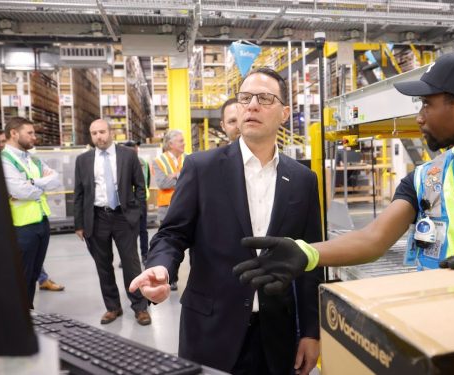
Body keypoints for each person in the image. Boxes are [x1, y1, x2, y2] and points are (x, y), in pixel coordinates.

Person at [234, 53, 454, 295]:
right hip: (435, 336)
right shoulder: (425, 178)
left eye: (427, 104)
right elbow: (374, 239)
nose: (420, 117)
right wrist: (306, 253)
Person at [130, 68, 323, 375]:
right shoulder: (202, 168)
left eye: (265, 98)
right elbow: (173, 234)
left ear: (284, 113)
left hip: (276, 333)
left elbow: (312, 258)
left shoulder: (302, 180)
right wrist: (162, 266)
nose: (252, 105)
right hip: (211, 328)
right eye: (245, 98)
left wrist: (312, 331)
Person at [73, 119, 151, 326]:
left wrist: (137, 213)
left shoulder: (128, 156)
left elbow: (140, 187)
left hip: (123, 217)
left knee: (131, 263)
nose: (99, 136)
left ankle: (140, 307)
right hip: (97, 218)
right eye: (94, 133)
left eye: (102, 132)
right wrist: (79, 224)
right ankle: (112, 307)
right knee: (103, 265)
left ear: (111, 133)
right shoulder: (83, 160)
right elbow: (79, 194)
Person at [0, 117, 60, 307]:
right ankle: (22, 320)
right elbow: (19, 191)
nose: (34, 137)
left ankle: (29, 313)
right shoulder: (4, 160)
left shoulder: (32, 159)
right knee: (23, 276)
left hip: (41, 222)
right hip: (22, 227)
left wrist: (33, 183)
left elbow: (56, 180)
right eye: (30, 133)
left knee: (34, 273)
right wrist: (40, 184)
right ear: (14, 134)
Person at [150, 129, 186, 290]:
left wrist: (175, 175)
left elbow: (195, 180)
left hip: (188, 206)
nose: (184, 143)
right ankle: (171, 277)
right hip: (168, 208)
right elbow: (163, 183)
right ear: (171, 144)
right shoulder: (159, 161)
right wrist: (182, 177)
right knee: (170, 244)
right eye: (180, 141)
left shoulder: (189, 159)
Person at [124, 140, 151, 265]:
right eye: (134, 148)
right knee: (128, 231)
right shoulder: (122, 163)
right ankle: (129, 256)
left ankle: (145, 255)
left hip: (140, 201)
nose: (136, 150)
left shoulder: (143, 162)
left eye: (136, 148)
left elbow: (146, 181)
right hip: (127, 202)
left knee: (142, 229)